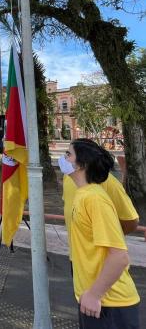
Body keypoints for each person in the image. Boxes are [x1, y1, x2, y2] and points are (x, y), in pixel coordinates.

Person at [59, 138, 140, 328]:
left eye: (68, 154)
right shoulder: (83, 193)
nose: (63, 158)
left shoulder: (95, 199)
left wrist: (95, 294)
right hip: (93, 298)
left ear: (82, 165)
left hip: (110, 304)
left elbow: (119, 257)